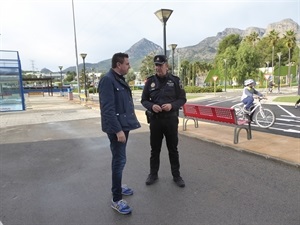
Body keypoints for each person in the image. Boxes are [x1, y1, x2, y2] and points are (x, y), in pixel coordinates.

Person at [98, 52, 140, 215]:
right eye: (127, 64)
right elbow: (107, 110)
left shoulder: (118, 79)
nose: (129, 66)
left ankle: (118, 186)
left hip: (123, 126)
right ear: (118, 65)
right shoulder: (108, 80)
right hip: (118, 128)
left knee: (120, 159)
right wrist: (118, 131)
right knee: (119, 160)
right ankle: (116, 199)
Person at [141, 55, 187, 188]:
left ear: (166, 65)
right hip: (155, 121)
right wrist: (151, 106)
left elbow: (182, 99)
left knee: (173, 149)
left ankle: (176, 176)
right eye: (156, 65)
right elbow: (144, 100)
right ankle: (153, 174)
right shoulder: (150, 82)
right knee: (154, 150)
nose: (157, 68)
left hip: (171, 120)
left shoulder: (175, 80)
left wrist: (172, 105)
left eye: (160, 65)